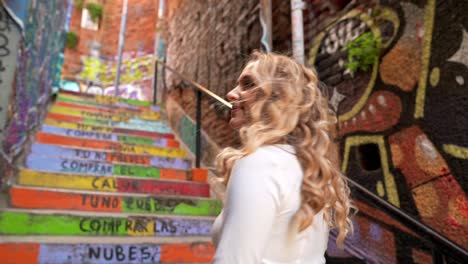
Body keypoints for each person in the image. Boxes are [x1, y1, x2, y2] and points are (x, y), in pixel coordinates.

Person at [211, 52, 354, 263]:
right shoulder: (309, 170)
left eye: (248, 84)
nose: (231, 94)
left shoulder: (258, 162)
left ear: (279, 97)